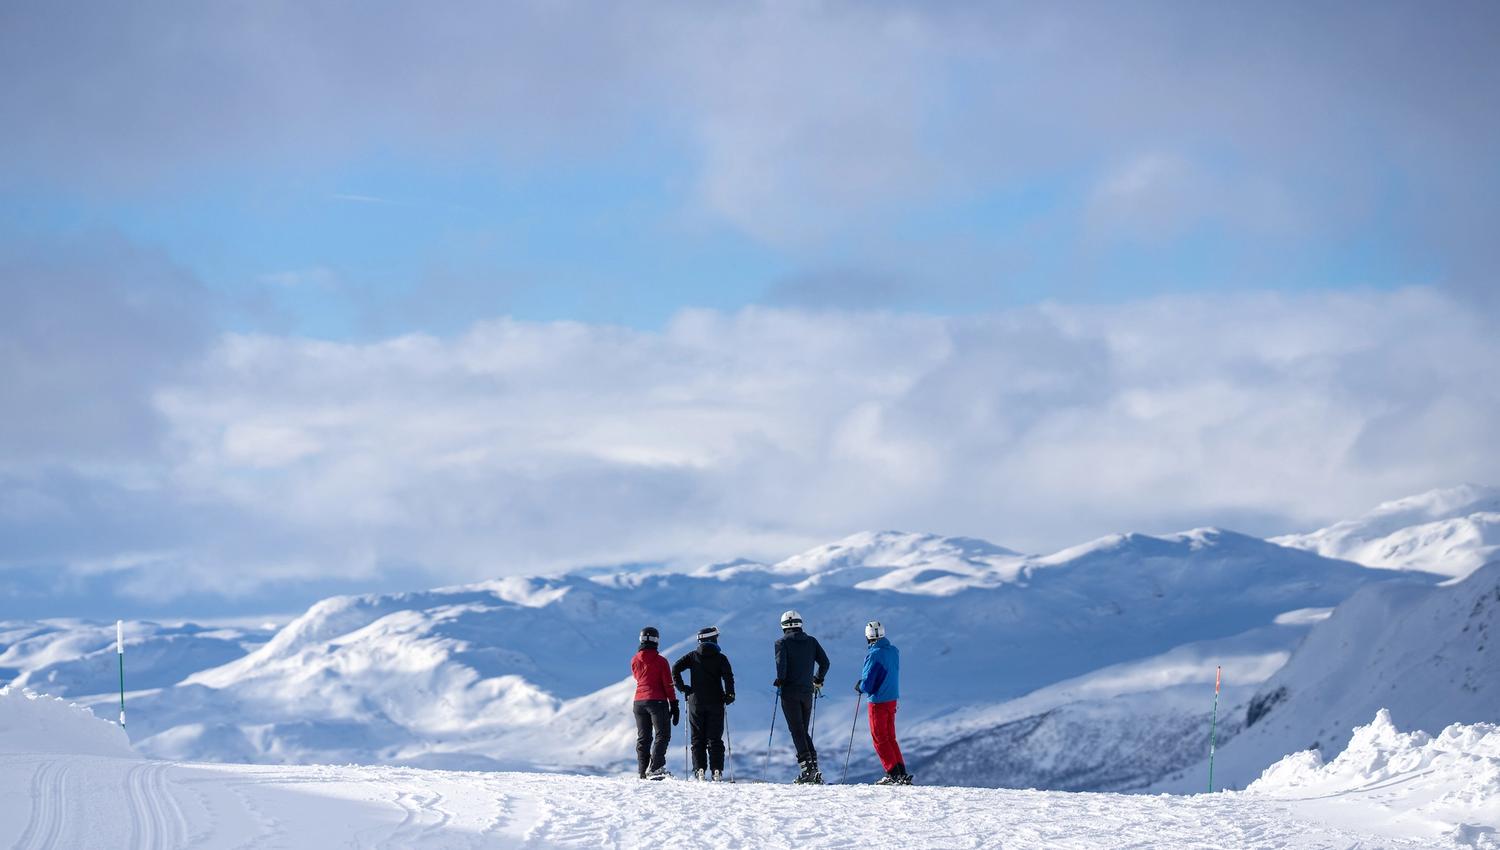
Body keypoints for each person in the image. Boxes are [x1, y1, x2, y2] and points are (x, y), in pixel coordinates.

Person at [672, 625, 737, 781]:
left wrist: (683, 689)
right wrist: (730, 694)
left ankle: (699, 770)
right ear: (713, 639)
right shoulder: (721, 658)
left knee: (697, 739)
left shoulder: (693, 656)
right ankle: (717, 771)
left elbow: (675, 669)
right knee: (714, 738)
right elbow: (728, 677)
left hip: (696, 702)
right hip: (716, 701)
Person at [773, 609, 830, 784]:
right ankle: (814, 768)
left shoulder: (781, 643)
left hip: (790, 692)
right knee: (803, 730)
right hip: (807, 692)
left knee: (797, 731)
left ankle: (808, 771)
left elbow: (781, 666)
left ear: (783, 626)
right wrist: (817, 679)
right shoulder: (811, 641)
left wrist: (780, 681)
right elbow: (825, 663)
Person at [855, 620, 912, 785]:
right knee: (890, 737)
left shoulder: (874, 655)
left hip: (878, 701)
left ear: (867, 637)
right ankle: (901, 772)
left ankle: (893, 774)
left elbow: (868, 682)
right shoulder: (893, 651)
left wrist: (860, 686)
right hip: (892, 699)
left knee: (879, 738)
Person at [631, 626, 678, 780]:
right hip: (657, 701)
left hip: (638, 701)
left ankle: (642, 771)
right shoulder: (661, 661)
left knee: (643, 737)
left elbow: (638, 678)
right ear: (657, 641)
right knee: (662, 734)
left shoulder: (635, 659)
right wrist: (674, 704)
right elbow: (668, 684)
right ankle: (656, 768)